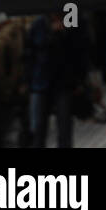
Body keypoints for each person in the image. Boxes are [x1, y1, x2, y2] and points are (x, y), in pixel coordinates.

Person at [25, 10, 89, 148]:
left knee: (64, 125)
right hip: (41, 82)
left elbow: (79, 53)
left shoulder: (73, 24)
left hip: (63, 83)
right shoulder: (38, 25)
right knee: (38, 127)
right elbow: (30, 55)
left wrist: (80, 81)